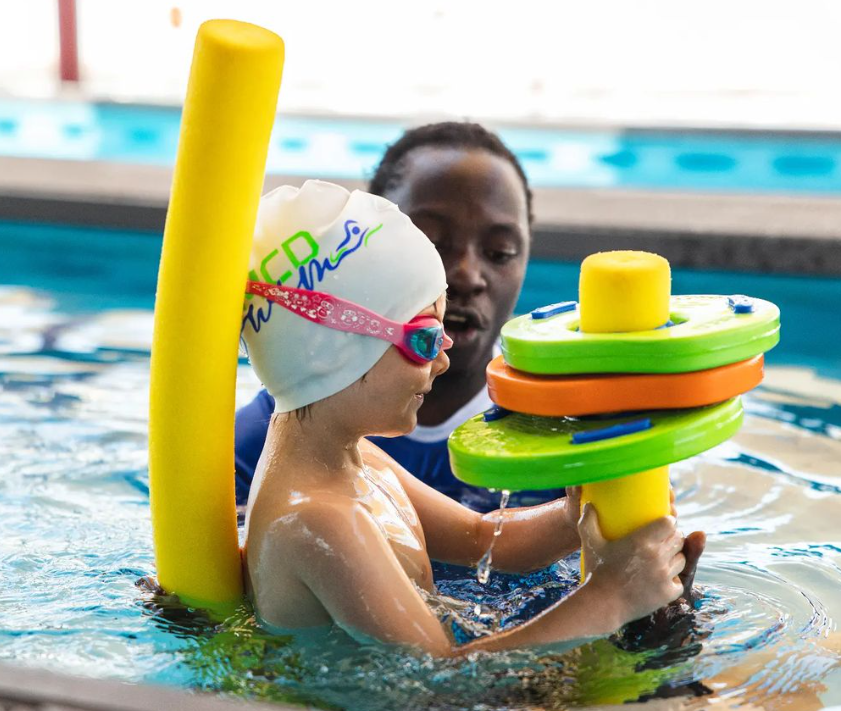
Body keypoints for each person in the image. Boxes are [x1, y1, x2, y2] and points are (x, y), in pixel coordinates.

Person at [240, 179, 692, 656]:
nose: (443, 361)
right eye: (425, 339)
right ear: (333, 351)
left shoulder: (356, 461)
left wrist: (577, 514)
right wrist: (612, 596)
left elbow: (480, 537)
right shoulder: (318, 520)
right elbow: (442, 681)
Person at [235, 121, 562, 512]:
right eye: (429, 242)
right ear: (366, 240)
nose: (467, 275)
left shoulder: (556, 436)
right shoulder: (263, 445)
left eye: (500, 253)